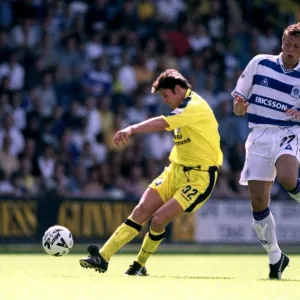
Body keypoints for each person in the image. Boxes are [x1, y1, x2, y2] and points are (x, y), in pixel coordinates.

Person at [79, 69, 223, 275]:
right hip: (175, 170)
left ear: (178, 89)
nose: (165, 101)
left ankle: (139, 265)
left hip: (199, 177)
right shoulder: (183, 106)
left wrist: (132, 129)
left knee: (157, 220)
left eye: (166, 95)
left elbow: (163, 122)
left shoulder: (195, 106)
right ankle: (102, 257)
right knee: (140, 212)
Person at [232, 22, 300, 280]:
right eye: (287, 44)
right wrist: (239, 106)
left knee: (287, 177)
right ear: (281, 43)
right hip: (259, 134)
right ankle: (276, 256)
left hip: (289, 132)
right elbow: (239, 103)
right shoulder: (260, 63)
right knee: (259, 203)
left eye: (296, 47)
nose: (290, 50)